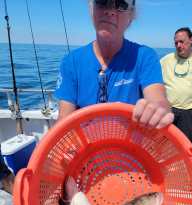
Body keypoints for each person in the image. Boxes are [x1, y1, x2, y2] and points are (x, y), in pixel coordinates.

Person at [54, 0, 174, 129]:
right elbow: (64, 120)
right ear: (91, 9)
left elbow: (157, 98)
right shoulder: (71, 62)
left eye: (121, 5)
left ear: (131, 15)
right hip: (87, 147)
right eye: (102, 2)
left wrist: (158, 110)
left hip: (130, 147)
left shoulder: (145, 57)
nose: (110, 11)